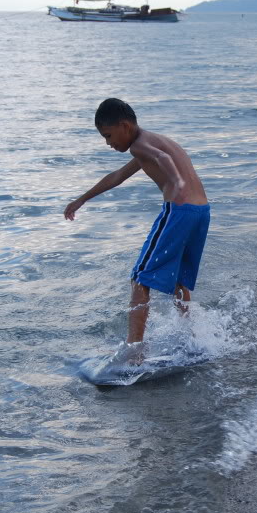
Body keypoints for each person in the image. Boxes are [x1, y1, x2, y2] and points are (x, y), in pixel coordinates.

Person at [64, 98, 210, 361]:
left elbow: (164, 160)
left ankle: (134, 351)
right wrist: (82, 198)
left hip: (178, 211)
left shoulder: (142, 146)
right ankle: (192, 337)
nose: (108, 143)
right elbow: (117, 177)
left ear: (125, 126)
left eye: (108, 136)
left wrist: (176, 184)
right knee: (178, 279)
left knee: (140, 277)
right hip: (201, 212)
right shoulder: (150, 142)